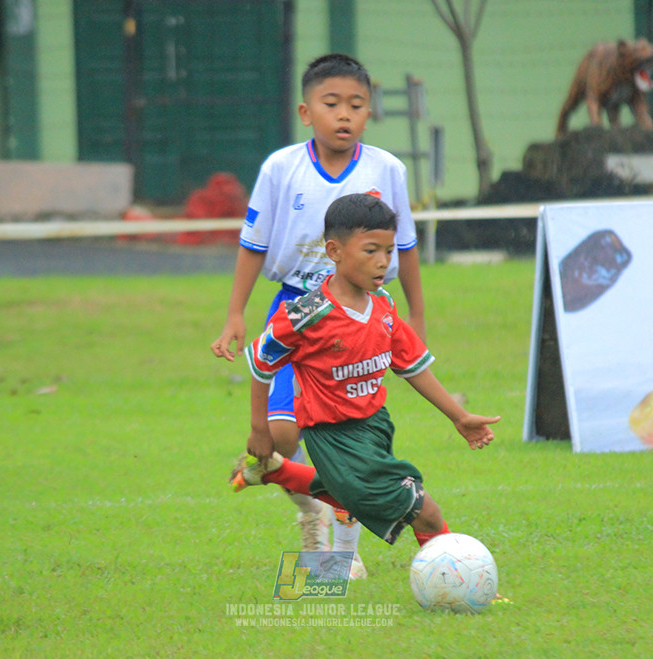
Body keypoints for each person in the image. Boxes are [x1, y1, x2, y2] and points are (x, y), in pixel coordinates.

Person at [211, 53, 426, 578]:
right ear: (306, 112)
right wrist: (235, 313)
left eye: (356, 104)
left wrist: (416, 314)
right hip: (297, 309)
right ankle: (313, 509)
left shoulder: (387, 169)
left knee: (353, 441)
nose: (344, 115)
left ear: (369, 113)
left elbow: (408, 247)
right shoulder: (281, 169)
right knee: (280, 441)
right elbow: (253, 244)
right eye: (332, 104)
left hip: (362, 316)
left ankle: (345, 554)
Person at [230, 194, 499, 557]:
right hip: (332, 435)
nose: (383, 262)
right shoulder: (307, 315)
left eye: (389, 252)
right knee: (427, 512)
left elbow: (412, 367)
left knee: (346, 495)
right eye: (371, 251)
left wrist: (460, 417)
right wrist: (260, 429)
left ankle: (275, 471)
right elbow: (262, 364)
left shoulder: (383, 304)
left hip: (375, 424)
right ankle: (460, 581)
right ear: (334, 251)